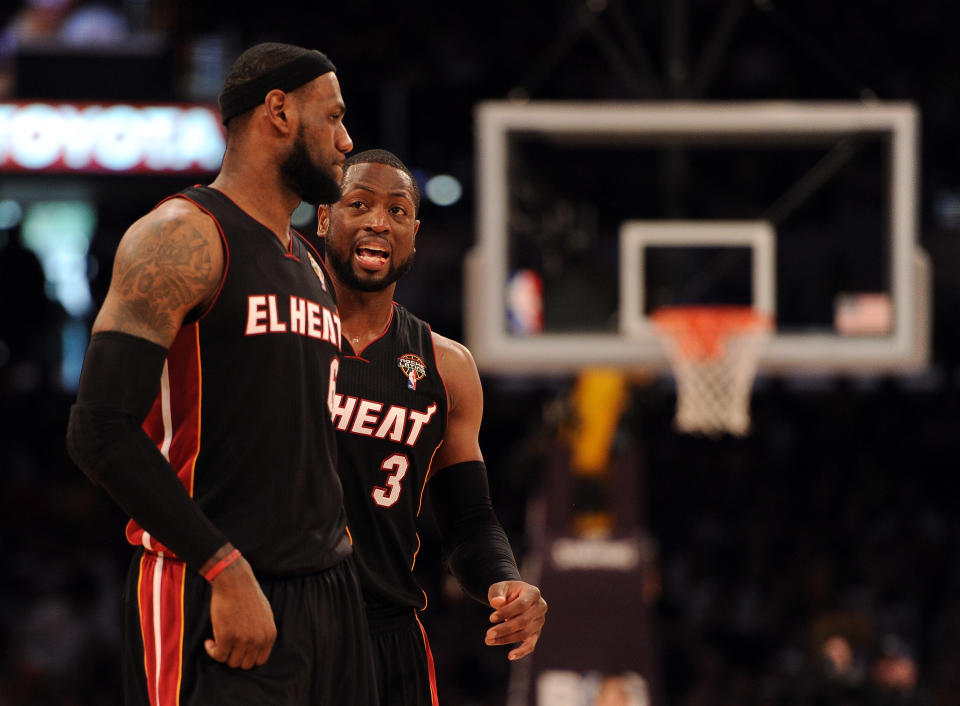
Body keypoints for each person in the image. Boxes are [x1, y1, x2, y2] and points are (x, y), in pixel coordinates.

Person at [65, 42, 378, 705]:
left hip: (325, 595)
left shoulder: (312, 263)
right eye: (335, 117)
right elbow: (98, 430)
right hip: (214, 587)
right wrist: (222, 566)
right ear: (278, 112)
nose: (348, 140)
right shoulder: (182, 235)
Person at [317, 148, 548, 705]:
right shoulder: (278, 333)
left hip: (389, 633)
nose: (379, 220)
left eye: (397, 211)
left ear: (414, 236)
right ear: (324, 217)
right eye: (359, 204)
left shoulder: (448, 366)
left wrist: (505, 579)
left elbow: (468, 519)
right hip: (286, 620)